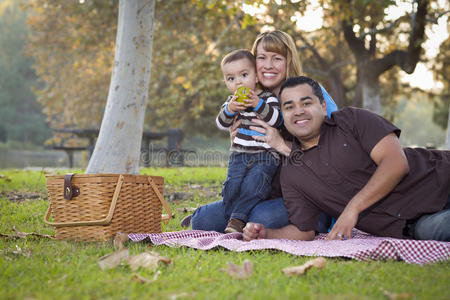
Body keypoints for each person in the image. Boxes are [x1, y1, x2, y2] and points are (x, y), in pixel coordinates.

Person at [243, 76, 450, 242]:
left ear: (323, 107)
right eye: (289, 107)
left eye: (306, 102)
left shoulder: (352, 120)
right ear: (284, 116)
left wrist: (353, 209)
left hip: (440, 178)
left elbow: (396, 164)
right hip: (416, 224)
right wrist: (267, 234)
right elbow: (304, 231)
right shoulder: (293, 172)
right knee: (441, 230)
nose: (298, 111)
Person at [182, 30, 338, 233]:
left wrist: (280, 144)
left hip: (306, 195)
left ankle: (310, 223)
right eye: (262, 58)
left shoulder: (307, 93)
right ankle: (222, 215)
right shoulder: (249, 100)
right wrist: (237, 141)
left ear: (288, 61)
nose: (268, 65)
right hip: (268, 192)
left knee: (258, 217)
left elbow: (329, 155)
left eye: (277, 58)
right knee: (203, 221)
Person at [216, 49, 282, 233]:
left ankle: (236, 220)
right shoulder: (232, 102)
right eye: (231, 78)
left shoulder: (267, 98)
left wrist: (257, 104)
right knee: (231, 187)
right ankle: (232, 217)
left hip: (265, 155)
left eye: (244, 75)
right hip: (239, 154)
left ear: (256, 77)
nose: (238, 82)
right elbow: (221, 123)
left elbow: (277, 120)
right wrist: (230, 109)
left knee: (254, 185)